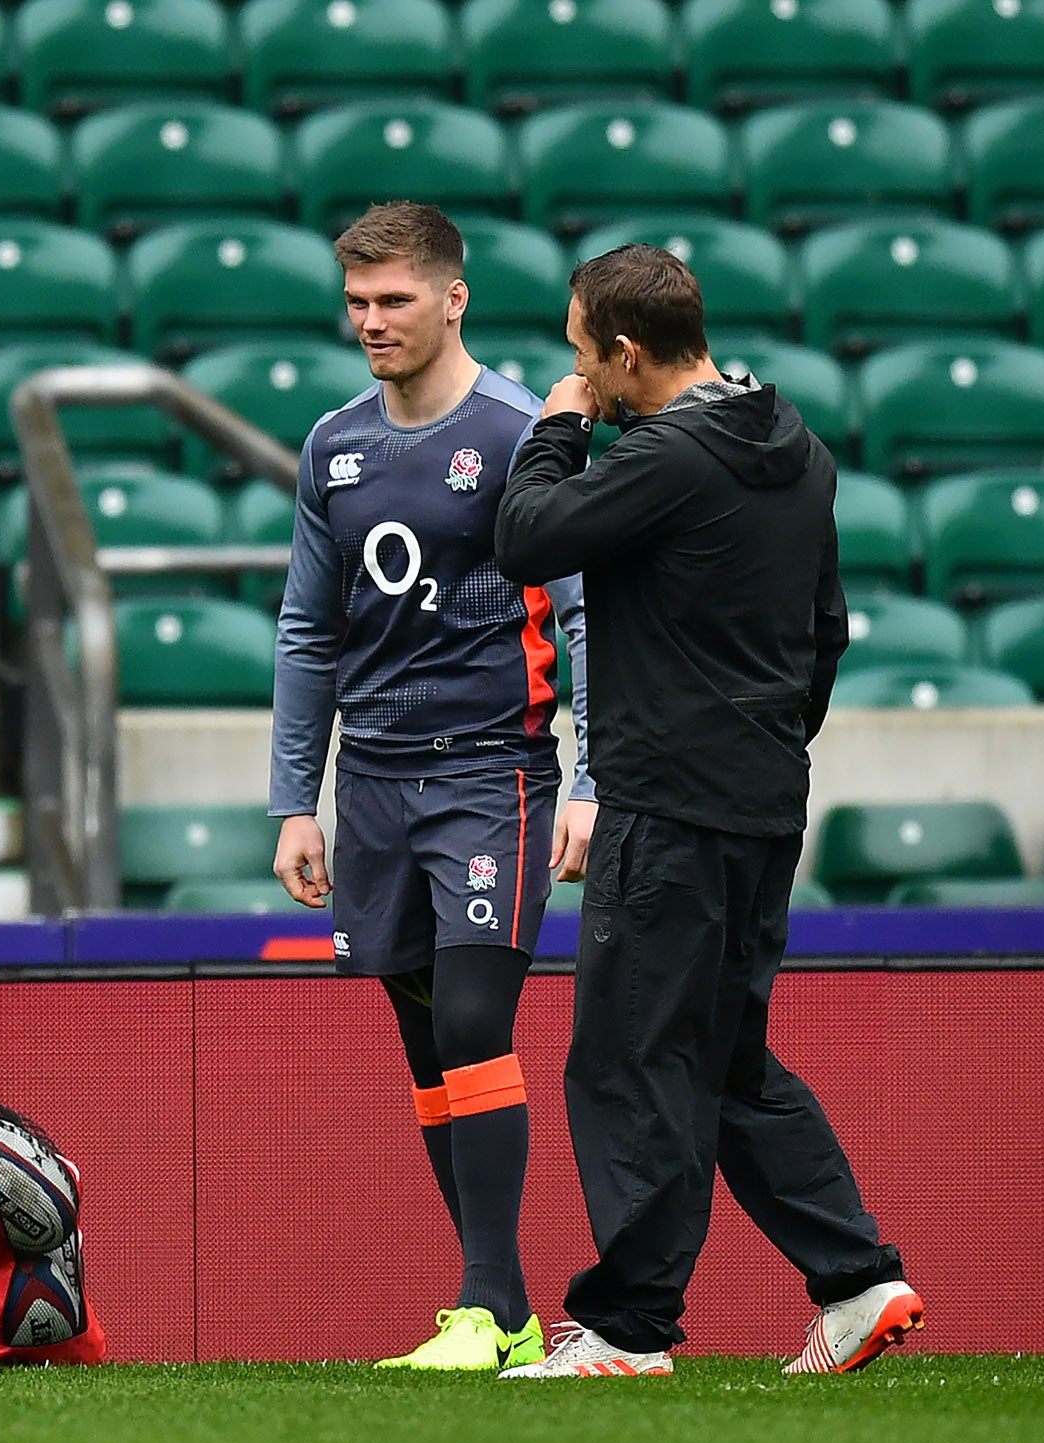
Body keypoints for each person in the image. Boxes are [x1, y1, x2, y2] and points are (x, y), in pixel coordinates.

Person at [491, 244, 922, 1379]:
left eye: (585, 357)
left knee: (630, 1058)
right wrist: (766, 746)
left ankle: (628, 1328)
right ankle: (855, 1280)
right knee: (724, 1055)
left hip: (669, 806)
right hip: (761, 800)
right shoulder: (801, 449)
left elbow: (526, 536)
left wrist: (555, 423)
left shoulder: (667, 455)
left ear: (626, 353)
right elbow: (824, 634)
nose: (578, 373)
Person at [269, 202, 595, 1372]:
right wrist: (293, 800)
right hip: (372, 783)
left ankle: (487, 1300)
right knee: (421, 1039)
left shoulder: (515, 435)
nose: (370, 322)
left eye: (393, 300)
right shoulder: (332, 445)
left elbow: (578, 614)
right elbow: (309, 631)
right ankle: (496, 1313)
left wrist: (588, 777)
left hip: (490, 772)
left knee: (469, 1018)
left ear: (452, 299)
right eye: (355, 302)